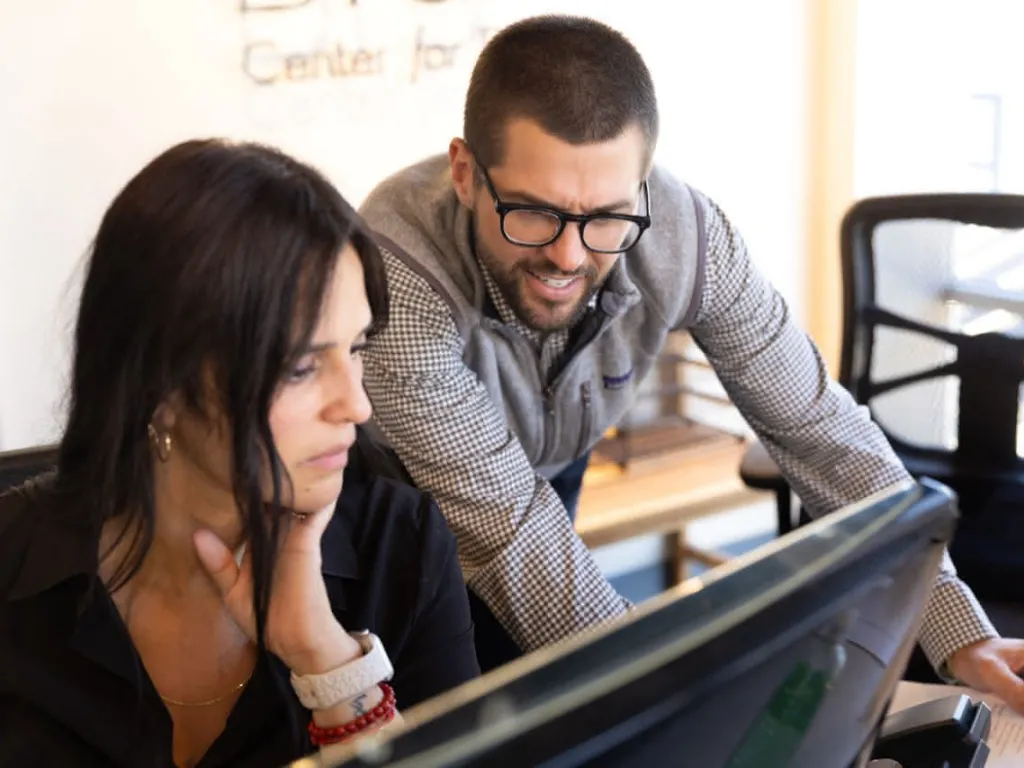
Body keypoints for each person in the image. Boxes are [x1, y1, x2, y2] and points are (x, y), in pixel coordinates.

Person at [356, 13, 1024, 710]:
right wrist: (675, 701)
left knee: (559, 703)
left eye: (607, 217)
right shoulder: (398, 274)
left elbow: (817, 427)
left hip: (551, 472)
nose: (570, 256)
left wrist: (957, 631)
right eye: (532, 212)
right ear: (465, 174)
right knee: (459, 714)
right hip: (404, 506)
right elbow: (510, 530)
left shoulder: (686, 232)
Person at [0, 139, 479, 767]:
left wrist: (327, 662)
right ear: (161, 383)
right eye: (304, 366)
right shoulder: (14, 564)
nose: (356, 406)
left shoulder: (403, 546)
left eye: (356, 349)